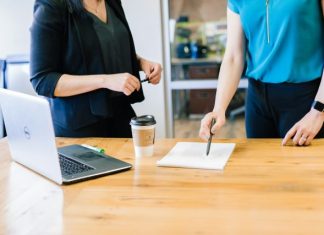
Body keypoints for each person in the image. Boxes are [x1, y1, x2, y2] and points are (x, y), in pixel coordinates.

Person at [199, 0, 324, 146]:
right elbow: (233, 56)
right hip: (258, 101)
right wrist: (218, 109)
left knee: (303, 167)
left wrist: (319, 110)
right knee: (260, 167)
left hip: (307, 98)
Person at [30, 0, 162, 138]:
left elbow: (103, 48)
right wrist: (105, 80)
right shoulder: (51, 6)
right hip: (80, 127)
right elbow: (42, 80)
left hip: (121, 116)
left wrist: (141, 63)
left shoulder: (112, 2)